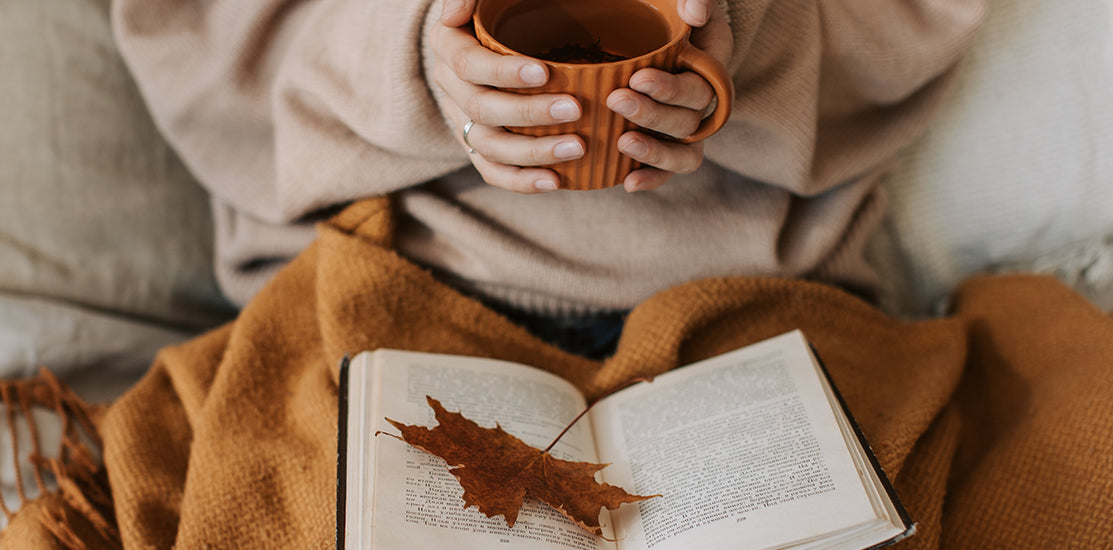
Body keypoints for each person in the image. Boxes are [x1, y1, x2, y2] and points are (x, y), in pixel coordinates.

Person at [111, 0, 986, 358]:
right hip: (383, 299)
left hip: (759, 311)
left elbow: (910, 28)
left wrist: (739, 37)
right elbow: (200, 43)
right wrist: (414, 58)